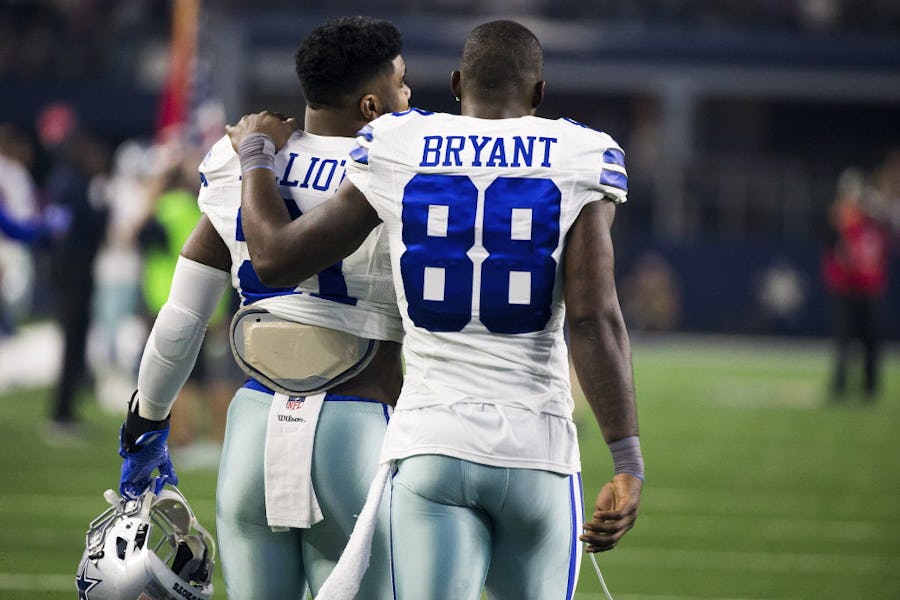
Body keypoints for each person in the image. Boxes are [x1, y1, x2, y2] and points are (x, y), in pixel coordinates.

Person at [229, 19, 643, 600]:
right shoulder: (582, 153)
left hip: (430, 444)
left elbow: (276, 260)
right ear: (539, 93)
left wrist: (255, 155)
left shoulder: (399, 144)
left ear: (455, 84)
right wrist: (627, 460)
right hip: (536, 446)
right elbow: (592, 319)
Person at [117, 16, 409, 599]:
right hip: (359, 428)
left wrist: (146, 425)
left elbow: (182, 318)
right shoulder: (405, 166)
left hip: (251, 430)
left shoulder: (240, 161)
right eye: (401, 82)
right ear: (371, 103)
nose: (409, 95)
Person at [37, 104, 112, 437]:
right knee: (72, 340)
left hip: (71, 270)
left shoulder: (64, 180)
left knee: (76, 340)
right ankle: (61, 413)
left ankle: (67, 410)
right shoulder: (72, 182)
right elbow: (68, 229)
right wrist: (103, 211)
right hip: (73, 272)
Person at [822, 167, 891, 400]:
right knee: (844, 340)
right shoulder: (845, 222)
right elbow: (835, 245)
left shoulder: (874, 223)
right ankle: (840, 385)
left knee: (870, 341)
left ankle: (870, 387)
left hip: (869, 289)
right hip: (848, 289)